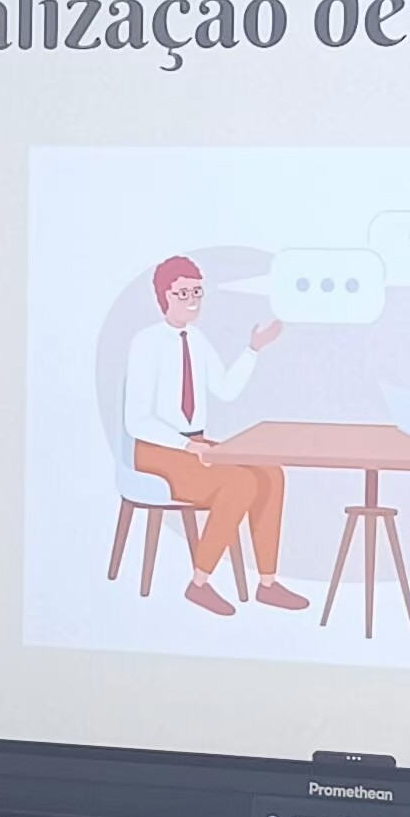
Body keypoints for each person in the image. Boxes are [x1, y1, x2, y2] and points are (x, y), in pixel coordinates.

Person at [120, 255, 309, 615]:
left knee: (270, 474)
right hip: (158, 450)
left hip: (196, 443)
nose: (192, 300)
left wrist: (253, 349)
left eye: (197, 292)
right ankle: (199, 583)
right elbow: (137, 421)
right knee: (239, 482)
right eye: (183, 292)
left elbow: (225, 389)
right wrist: (185, 445)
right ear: (163, 296)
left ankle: (268, 583)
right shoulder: (146, 343)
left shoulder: (197, 339)